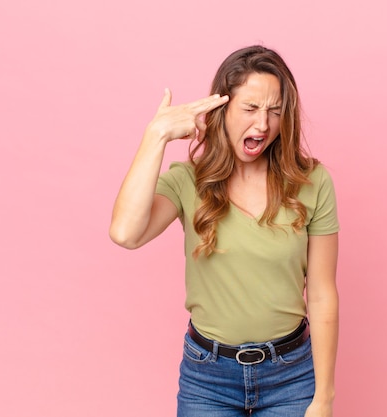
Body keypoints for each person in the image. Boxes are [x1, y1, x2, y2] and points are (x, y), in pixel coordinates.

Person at [109, 45, 339, 417]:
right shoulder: (188, 181)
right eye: (250, 109)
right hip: (208, 379)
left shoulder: (313, 181)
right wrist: (156, 135)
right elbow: (125, 233)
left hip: (291, 377)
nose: (263, 124)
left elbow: (323, 294)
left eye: (274, 111)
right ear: (222, 109)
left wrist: (324, 397)